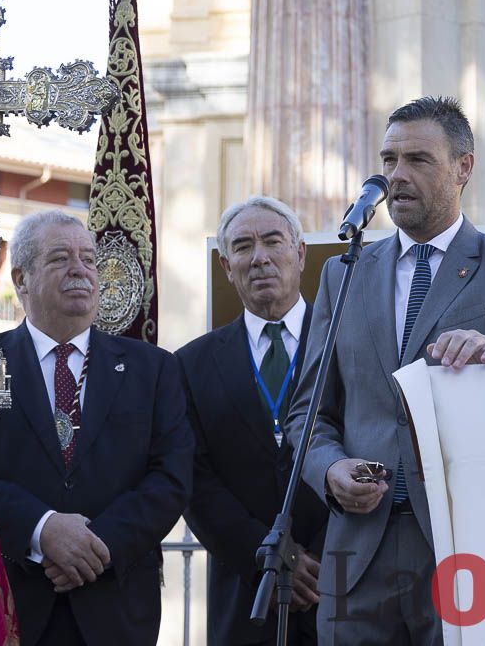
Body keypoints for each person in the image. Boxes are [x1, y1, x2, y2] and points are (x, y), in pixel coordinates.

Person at [286, 96, 485, 643]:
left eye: (418, 160)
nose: (397, 175)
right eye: (389, 159)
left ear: (463, 168)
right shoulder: (342, 274)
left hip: (465, 547)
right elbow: (308, 412)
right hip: (357, 553)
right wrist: (329, 470)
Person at [0, 210, 193, 646]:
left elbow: (171, 477)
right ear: (21, 279)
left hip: (117, 606)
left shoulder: (154, 368)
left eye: (88, 259)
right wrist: (42, 529)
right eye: (60, 258)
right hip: (11, 604)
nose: (81, 270)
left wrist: (97, 545)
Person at [177, 197, 327, 645]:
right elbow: (194, 479)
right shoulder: (192, 364)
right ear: (227, 265)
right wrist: (267, 556)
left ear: (300, 253)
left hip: (337, 584)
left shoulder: (347, 341)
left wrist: (318, 557)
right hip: (246, 597)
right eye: (243, 246)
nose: (259, 257)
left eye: (272, 241)